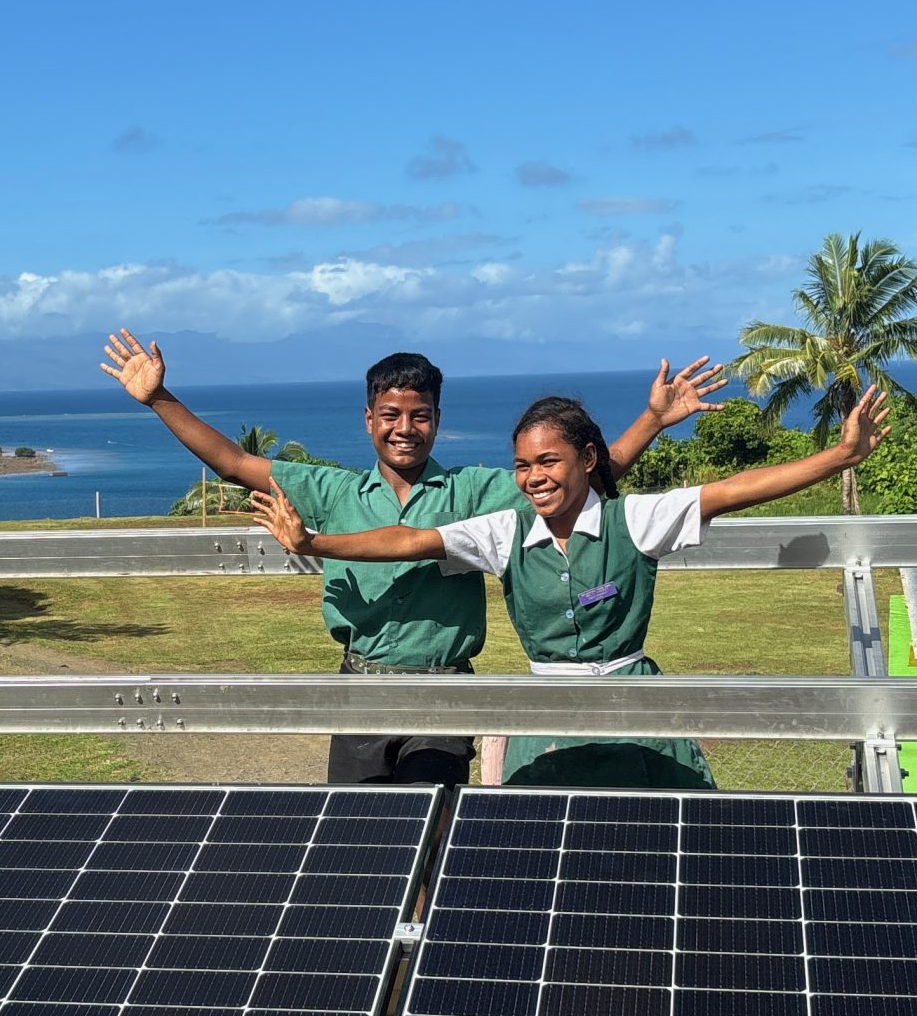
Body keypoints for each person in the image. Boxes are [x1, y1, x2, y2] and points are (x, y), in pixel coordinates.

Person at [99, 332, 729, 786]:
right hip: (360, 686)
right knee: (363, 842)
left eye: (420, 416)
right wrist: (160, 398)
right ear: (368, 419)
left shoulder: (476, 491)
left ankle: (426, 956)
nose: (406, 428)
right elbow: (234, 462)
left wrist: (651, 418)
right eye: (392, 415)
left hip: (443, 688)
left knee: (429, 832)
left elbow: (578, 480)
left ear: (437, 421)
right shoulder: (333, 490)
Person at [250, 385, 891, 790]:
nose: (534, 478)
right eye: (523, 465)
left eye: (549, 461)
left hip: (637, 713)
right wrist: (314, 545)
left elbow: (729, 492)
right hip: (546, 714)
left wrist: (837, 458)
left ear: (588, 460)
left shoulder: (632, 520)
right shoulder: (504, 530)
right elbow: (410, 541)